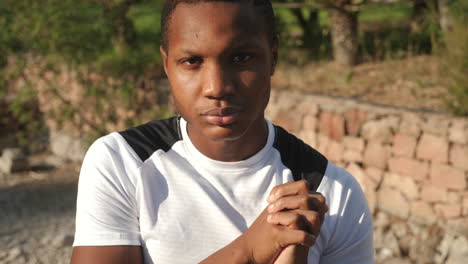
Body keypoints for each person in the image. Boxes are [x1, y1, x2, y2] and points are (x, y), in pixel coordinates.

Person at [70, 0, 374, 263]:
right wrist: (248, 251)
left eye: (241, 58)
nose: (216, 87)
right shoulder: (124, 162)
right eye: (191, 61)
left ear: (273, 57)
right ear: (167, 65)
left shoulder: (332, 191)